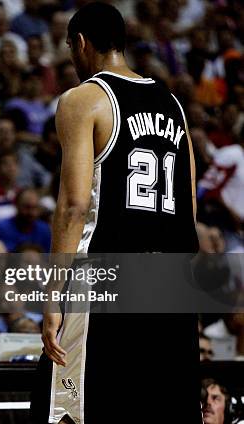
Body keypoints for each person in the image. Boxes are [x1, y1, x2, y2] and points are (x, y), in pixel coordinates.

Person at [30, 3, 200, 423]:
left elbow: (73, 206)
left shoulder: (83, 99)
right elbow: (189, 203)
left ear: (81, 43)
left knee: (68, 409)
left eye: (70, 48)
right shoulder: (173, 104)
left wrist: (52, 296)